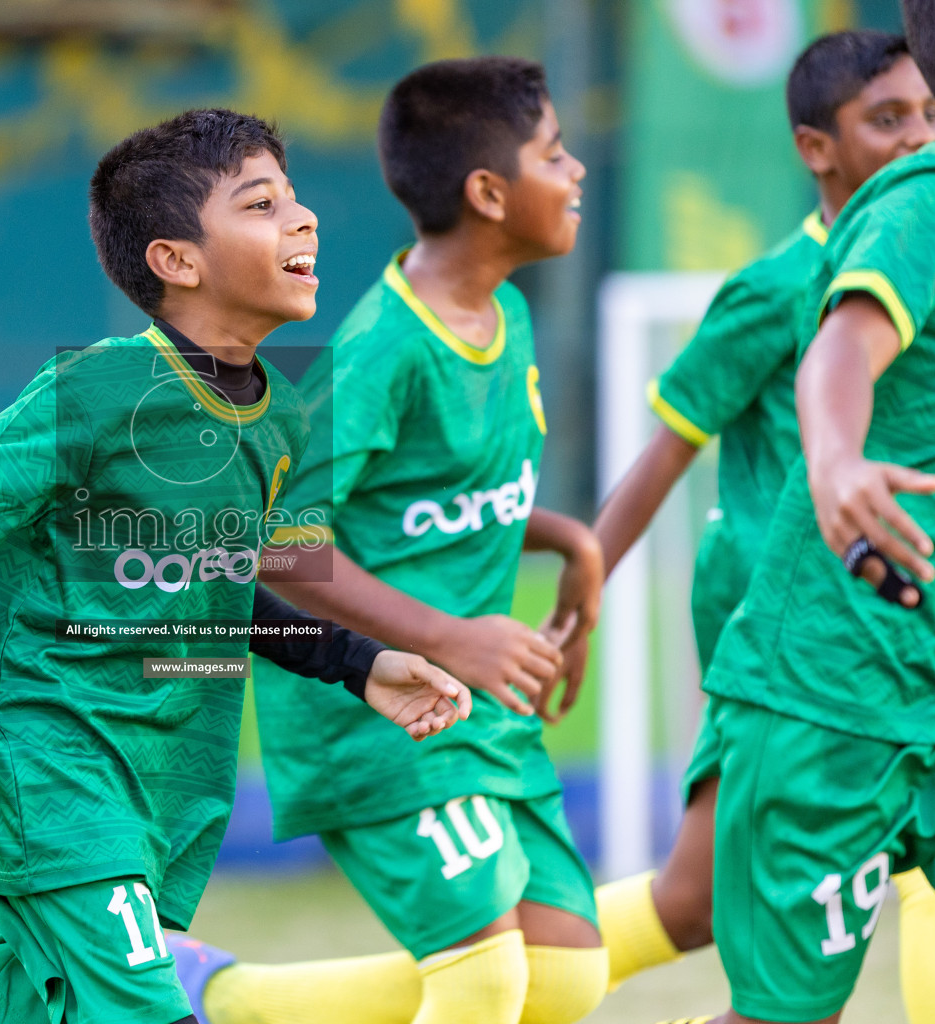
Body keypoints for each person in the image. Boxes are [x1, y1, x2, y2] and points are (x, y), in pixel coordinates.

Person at [0, 108, 472, 1024]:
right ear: (177, 260)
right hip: (57, 775)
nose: (305, 219)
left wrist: (359, 663)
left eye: (297, 199)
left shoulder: (279, 421)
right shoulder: (99, 390)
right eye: (262, 204)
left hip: (165, 787)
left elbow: (220, 594)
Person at [172, 58, 606, 1024]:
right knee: (487, 981)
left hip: (478, 707)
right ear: (489, 194)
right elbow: (280, 543)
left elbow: (440, 500)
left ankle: (215, 998)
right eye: (554, 153)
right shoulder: (383, 348)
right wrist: (449, 638)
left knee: (568, 978)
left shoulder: (508, 316)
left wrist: (569, 541)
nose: (577, 171)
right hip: (386, 710)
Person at [588, 32, 935, 1024]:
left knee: (708, 904)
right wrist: (580, 595)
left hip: (922, 655)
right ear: (813, 146)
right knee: (699, 907)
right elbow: (668, 450)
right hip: (809, 654)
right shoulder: (784, 284)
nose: (918, 135)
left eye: (928, 113)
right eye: (888, 118)